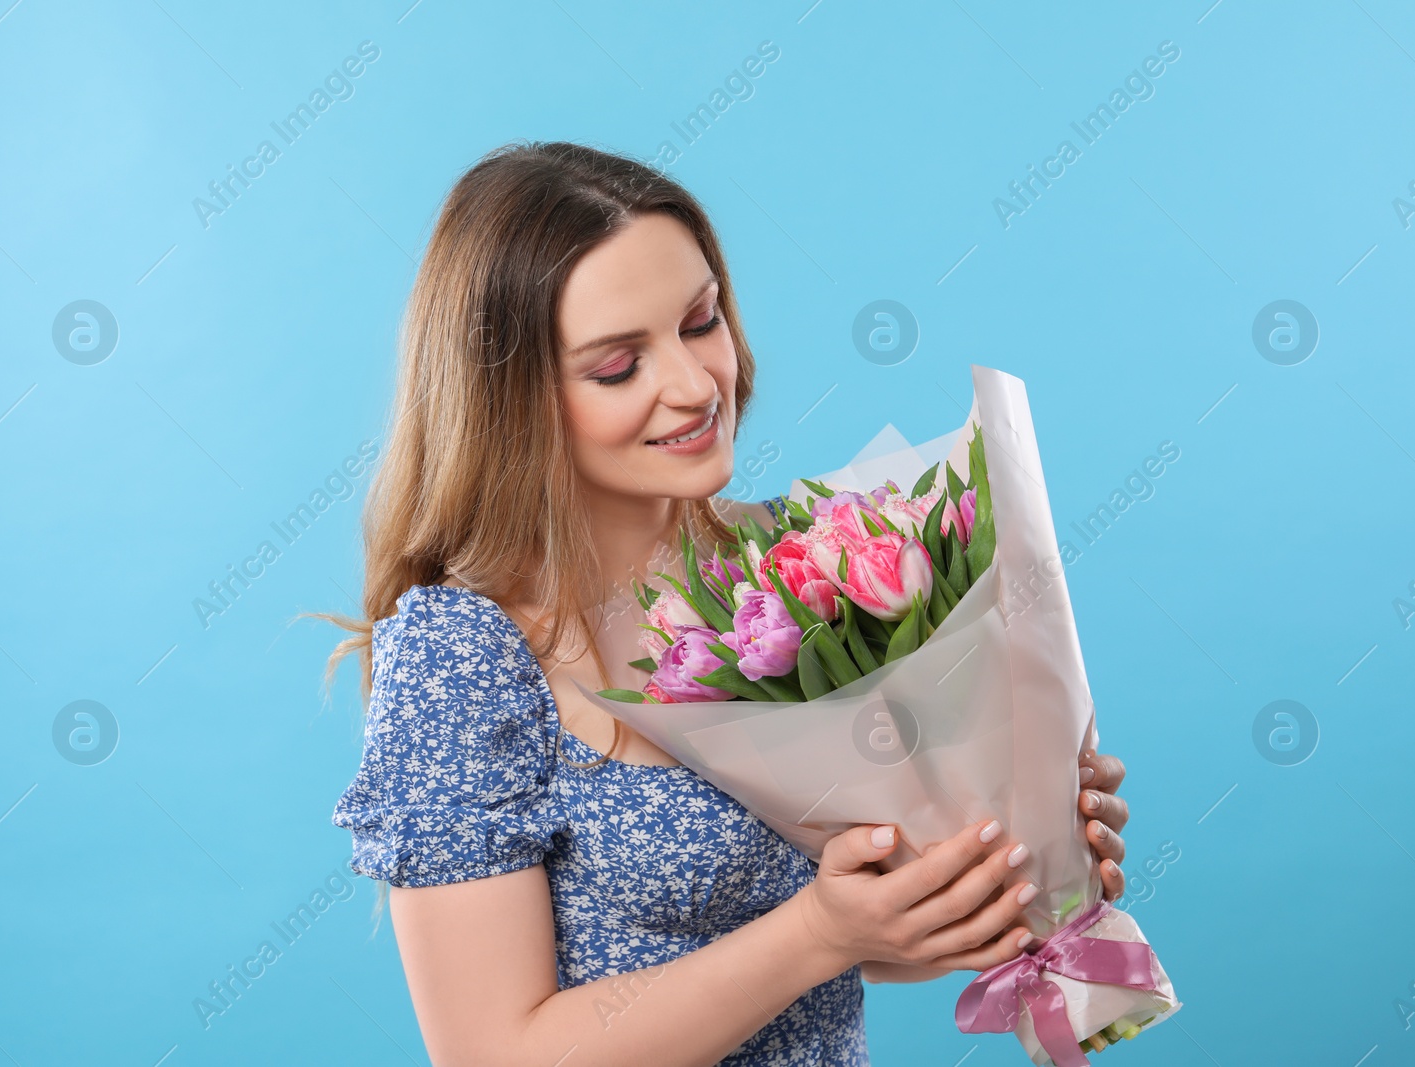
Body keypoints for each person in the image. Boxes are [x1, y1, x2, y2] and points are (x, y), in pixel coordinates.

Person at [321, 140, 1131, 1066]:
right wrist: (818, 933)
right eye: (617, 366)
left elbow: (851, 935)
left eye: (699, 321)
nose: (696, 383)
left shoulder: (782, 569)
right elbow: (493, 1051)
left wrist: (1009, 859)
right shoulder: (464, 653)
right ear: (511, 401)